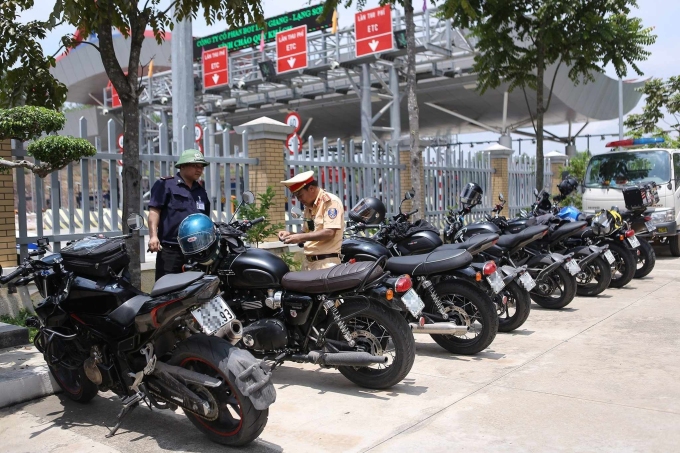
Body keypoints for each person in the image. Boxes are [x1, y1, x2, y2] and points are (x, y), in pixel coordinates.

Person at [148, 149, 210, 280]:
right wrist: (153, 236)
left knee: (194, 289)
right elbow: (154, 211)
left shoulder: (200, 191)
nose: (199, 170)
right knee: (165, 288)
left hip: (196, 251)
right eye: (195, 166)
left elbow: (205, 219)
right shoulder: (165, 185)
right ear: (182, 166)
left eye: (201, 167)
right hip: (171, 249)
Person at [278, 170, 344, 271]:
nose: (299, 200)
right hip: (309, 263)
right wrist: (290, 234)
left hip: (326, 263)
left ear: (311, 189)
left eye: (300, 196)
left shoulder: (330, 202)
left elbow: (329, 232)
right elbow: (306, 233)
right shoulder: (309, 206)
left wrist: (299, 237)